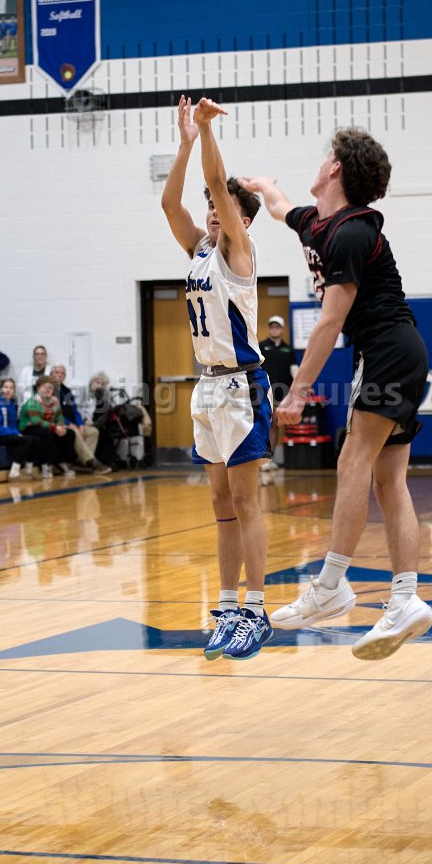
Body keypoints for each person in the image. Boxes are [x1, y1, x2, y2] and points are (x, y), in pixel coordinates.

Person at [242, 125, 432, 661]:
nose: (321, 159)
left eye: (327, 154)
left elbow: (329, 322)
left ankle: (331, 585)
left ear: (335, 168)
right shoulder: (318, 223)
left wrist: (297, 393)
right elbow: (281, 209)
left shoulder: (351, 233)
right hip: (400, 351)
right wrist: (263, 186)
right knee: (389, 481)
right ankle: (405, 598)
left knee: (352, 462)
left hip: (387, 350)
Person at [161, 94, 273, 662]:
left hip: (241, 387)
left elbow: (216, 181)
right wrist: (183, 144)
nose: (211, 209)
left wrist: (205, 130)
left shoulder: (240, 249)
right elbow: (168, 203)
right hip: (206, 387)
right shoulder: (200, 251)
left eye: (220, 204)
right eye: (209, 205)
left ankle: (257, 610)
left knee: (247, 503)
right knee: (221, 505)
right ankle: (227, 607)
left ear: (240, 219)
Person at [50, 365, 111, 474]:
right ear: (51, 374)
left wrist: (80, 424)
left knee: (93, 431)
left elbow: (75, 410)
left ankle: (80, 463)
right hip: (58, 422)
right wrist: (70, 424)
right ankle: (92, 461)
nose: (59, 375)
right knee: (74, 432)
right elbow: (54, 412)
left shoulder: (67, 391)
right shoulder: (49, 390)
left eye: (62, 373)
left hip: (72, 423)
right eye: (57, 372)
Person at [259, 315, 298, 471]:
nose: (274, 330)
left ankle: (269, 458)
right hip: (263, 392)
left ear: (282, 330)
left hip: (283, 393)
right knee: (265, 424)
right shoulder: (261, 347)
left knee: (275, 424)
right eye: (272, 327)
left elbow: (294, 370)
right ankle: (262, 458)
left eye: (277, 327)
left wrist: (302, 386)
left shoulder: (288, 350)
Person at [19, 375, 77, 478]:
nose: (48, 390)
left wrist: (61, 427)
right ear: (38, 388)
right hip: (28, 427)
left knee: (69, 433)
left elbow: (59, 418)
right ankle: (45, 465)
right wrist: (55, 428)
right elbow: (35, 421)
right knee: (47, 433)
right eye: (45, 387)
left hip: (46, 426)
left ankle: (61, 462)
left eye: (50, 387)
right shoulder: (33, 401)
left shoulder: (55, 401)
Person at [0, 378, 36, 481]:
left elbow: (12, 425)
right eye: (6, 387)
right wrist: (15, 434)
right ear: (1, 389)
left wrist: (16, 433)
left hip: (7, 434)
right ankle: (14, 473)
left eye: (11, 388)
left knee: (35, 440)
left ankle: (28, 470)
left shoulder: (11, 404)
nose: (8, 390)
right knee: (26, 440)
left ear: (14, 391)